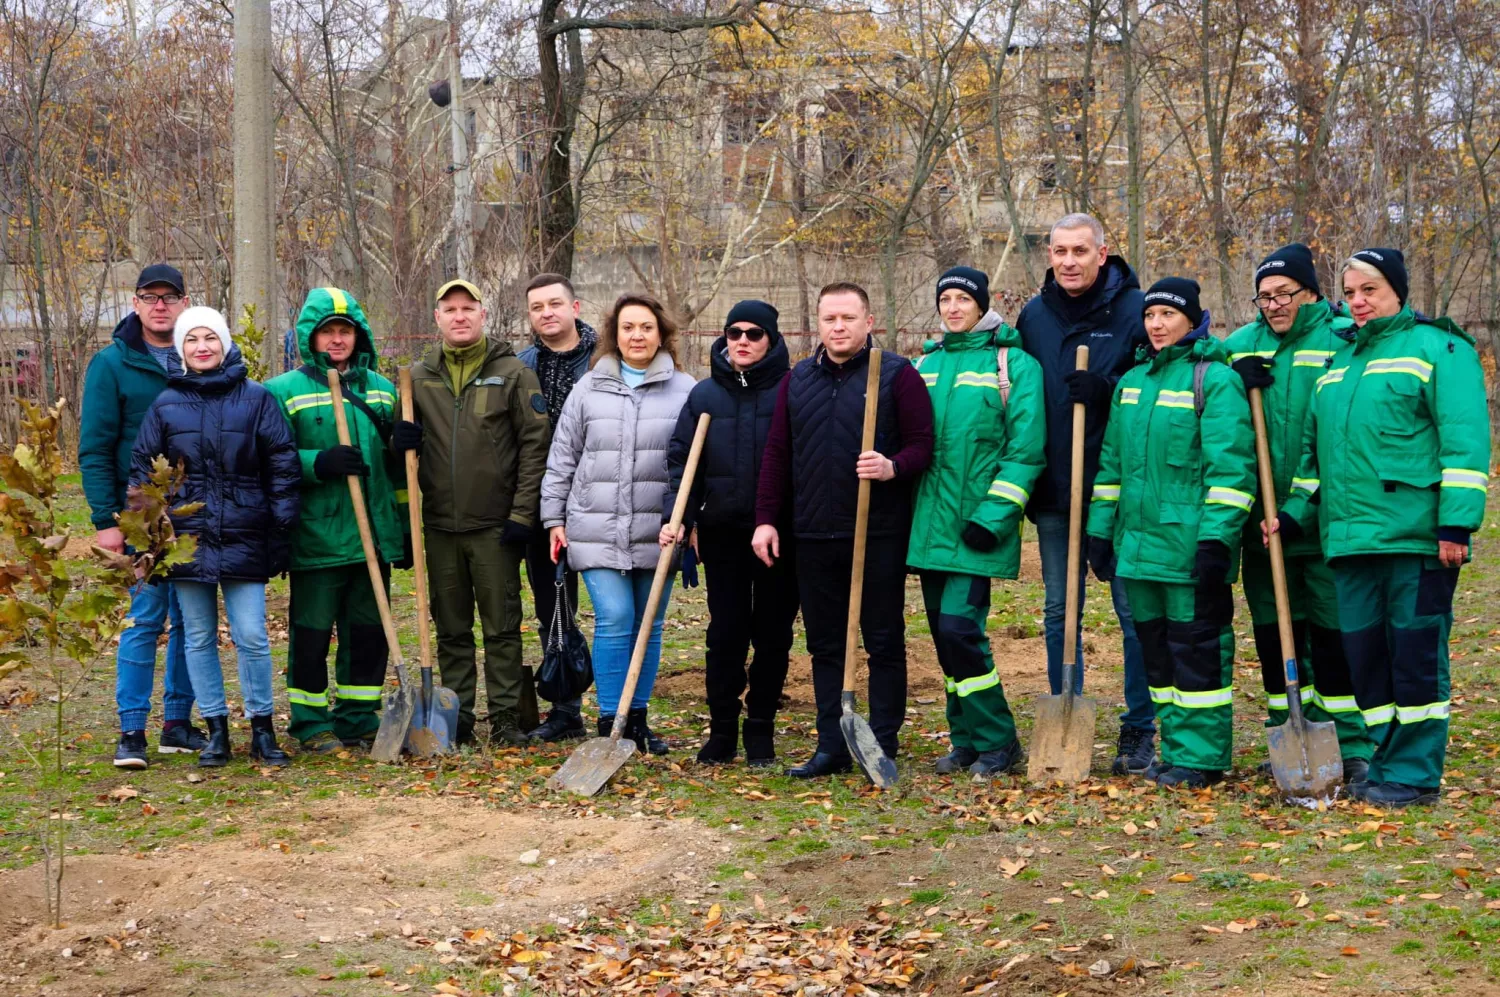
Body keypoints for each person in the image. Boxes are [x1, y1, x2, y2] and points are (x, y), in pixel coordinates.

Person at [1280, 250, 1490, 807]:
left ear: (1397, 290)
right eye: (1349, 293)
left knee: (1414, 658)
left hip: (1416, 539)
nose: (1358, 302)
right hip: (1348, 541)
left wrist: (1456, 525)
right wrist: (1292, 514)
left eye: (1369, 290)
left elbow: (1466, 443)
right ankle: (1383, 760)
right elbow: (1311, 457)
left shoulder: (1440, 350)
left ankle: (1415, 774)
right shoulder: (1339, 362)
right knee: (1366, 660)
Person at [752, 282, 934, 778]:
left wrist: (891, 466)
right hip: (812, 534)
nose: (838, 327)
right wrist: (766, 519)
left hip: (876, 533)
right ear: (818, 324)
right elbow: (776, 455)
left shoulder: (896, 375)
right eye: (829, 319)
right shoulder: (798, 379)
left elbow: (923, 445)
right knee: (825, 645)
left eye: (848, 319)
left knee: (882, 639)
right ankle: (832, 744)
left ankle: (881, 743)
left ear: (868, 322)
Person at [1086, 278, 1255, 788]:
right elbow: (1111, 466)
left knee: (1197, 654)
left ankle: (1202, 758)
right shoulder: (1132, 382)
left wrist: (1215, 542)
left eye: (1168, 315)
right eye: (1151, 315)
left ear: (1192, 319)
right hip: (1137, 552)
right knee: (1157, 655)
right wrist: (1100, 532)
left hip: (1188, 552)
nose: (1157, 325)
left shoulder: (1214, 381)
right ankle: (1177, 748)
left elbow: (1232, 471)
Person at [1223, 244, 1374, 783]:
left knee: (1333, 633)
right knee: (1273, 628)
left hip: (1325, 516)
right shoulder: (1239, 347)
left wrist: (1300, 508)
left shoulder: (1342, 341)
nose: (1273, 306)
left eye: (1283, 294)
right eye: (1264, 297)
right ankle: (1288, 724)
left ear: (1310, 292)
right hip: (1262, 524)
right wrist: (1235, 379)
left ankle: (1349, 739)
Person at [1016, 214, 1157, 776]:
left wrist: (1110, 389)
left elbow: (1164, 375)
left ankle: (1139, 728)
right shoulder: (1034, 315)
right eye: (1059, 251)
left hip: (1119, 489)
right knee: (1059, 609)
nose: (1069, 261)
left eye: (1080, 250)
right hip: (1056, 486)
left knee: (1131, 610)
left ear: (1103, 253)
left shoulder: (1137, 309)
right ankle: (1064, 709)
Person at [130, 307, 300, 767]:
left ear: (224, 343)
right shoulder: (166, 404)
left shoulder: (257, 399)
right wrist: (151, 538)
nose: (201, 346)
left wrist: (282, 525)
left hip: (247, 532)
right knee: (199, 637)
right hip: (187, 539)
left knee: (250, 634)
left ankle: (263, 730)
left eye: (210, 338)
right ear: (182, 349)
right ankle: (216, 731)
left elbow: (282, 463)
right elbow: (143, 474)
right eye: (191, 340)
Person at [391, 279, 551, 747]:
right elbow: (398, 455)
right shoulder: (417, 378)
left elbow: (534, 448)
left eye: (468, 308)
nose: (459, 316)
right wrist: (396, 440)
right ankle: (456, 716)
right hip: (440, 526)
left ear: (483, 315)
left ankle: (503, 718)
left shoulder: (514, 373)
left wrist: (523, 515)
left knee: (501, 626)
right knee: (452, 628)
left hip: (495, 527)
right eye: (449, 309)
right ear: (436, 319)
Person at [540, 292, 695, 754]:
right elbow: (562, 457)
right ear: (615, 334)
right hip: (595, 525)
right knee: (616, 618)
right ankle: (611, 720)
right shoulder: (588, 388)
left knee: (650, 623)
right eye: (628, 327)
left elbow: (695, 464)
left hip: (658, 530)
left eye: (646, 327)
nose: (637, 336)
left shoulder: (686, 390)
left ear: (661, 333)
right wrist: (553, 517)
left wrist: (688, 520)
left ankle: (637, 721)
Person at [909, 268, 1045, 777]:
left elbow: (1026, 451)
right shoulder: (925, 363)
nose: (952, 306)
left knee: (960, 630)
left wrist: (994, 518)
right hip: (928, 529)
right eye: (944, 297)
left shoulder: (1015, 366)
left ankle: (998, 740)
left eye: (962, 297)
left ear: (982, 304)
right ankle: (965, 738)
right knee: (945, 639)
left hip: (976, 530)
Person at [265, 288, 407, 754]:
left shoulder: (383, 392)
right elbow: (269, 460)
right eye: (328, 331)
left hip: (373, 536)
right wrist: (316, 462)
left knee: (368, 634)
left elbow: (395, 474)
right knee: (310, 635)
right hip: (318, 536)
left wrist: (403, 446)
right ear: (311, 337)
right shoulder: (283, 392)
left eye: (345, 331)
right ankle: (310, 722)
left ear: (358, 335)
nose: (337, 339)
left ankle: (358, 718)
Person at [80, 263, 204, 768]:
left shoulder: (198, 357)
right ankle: (132, 729)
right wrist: (105, 522)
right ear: (135, 304)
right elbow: (94, 448)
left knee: (190, 620)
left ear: (182, 303)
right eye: (149, 297)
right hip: (139, 520)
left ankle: (177, 724)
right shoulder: (112, 365)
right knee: (143, 620)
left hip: (193, 516)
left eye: (169, 297)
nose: (159, 305)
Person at [662, 300, 797, 766]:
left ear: (772, 339)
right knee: (726, 634)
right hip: (721, 533)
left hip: (780, 535)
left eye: (754, 333)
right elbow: (683, 461)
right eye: (734, 332)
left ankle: (760, 727)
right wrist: (677, 516)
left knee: (774, 633)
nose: (742, 340)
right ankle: (722, 730)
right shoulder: (705, 395)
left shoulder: (793, 389)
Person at [517, 273, 599, 741]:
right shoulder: (520, 366)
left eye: (554, 303)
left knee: (612, 611)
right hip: (542, 507)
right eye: (536, 307)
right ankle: (566, 708)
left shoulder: (604, 361)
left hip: (602, 503)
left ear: (575, 306)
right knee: (553, 605)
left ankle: (621, 707)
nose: (546, 312)